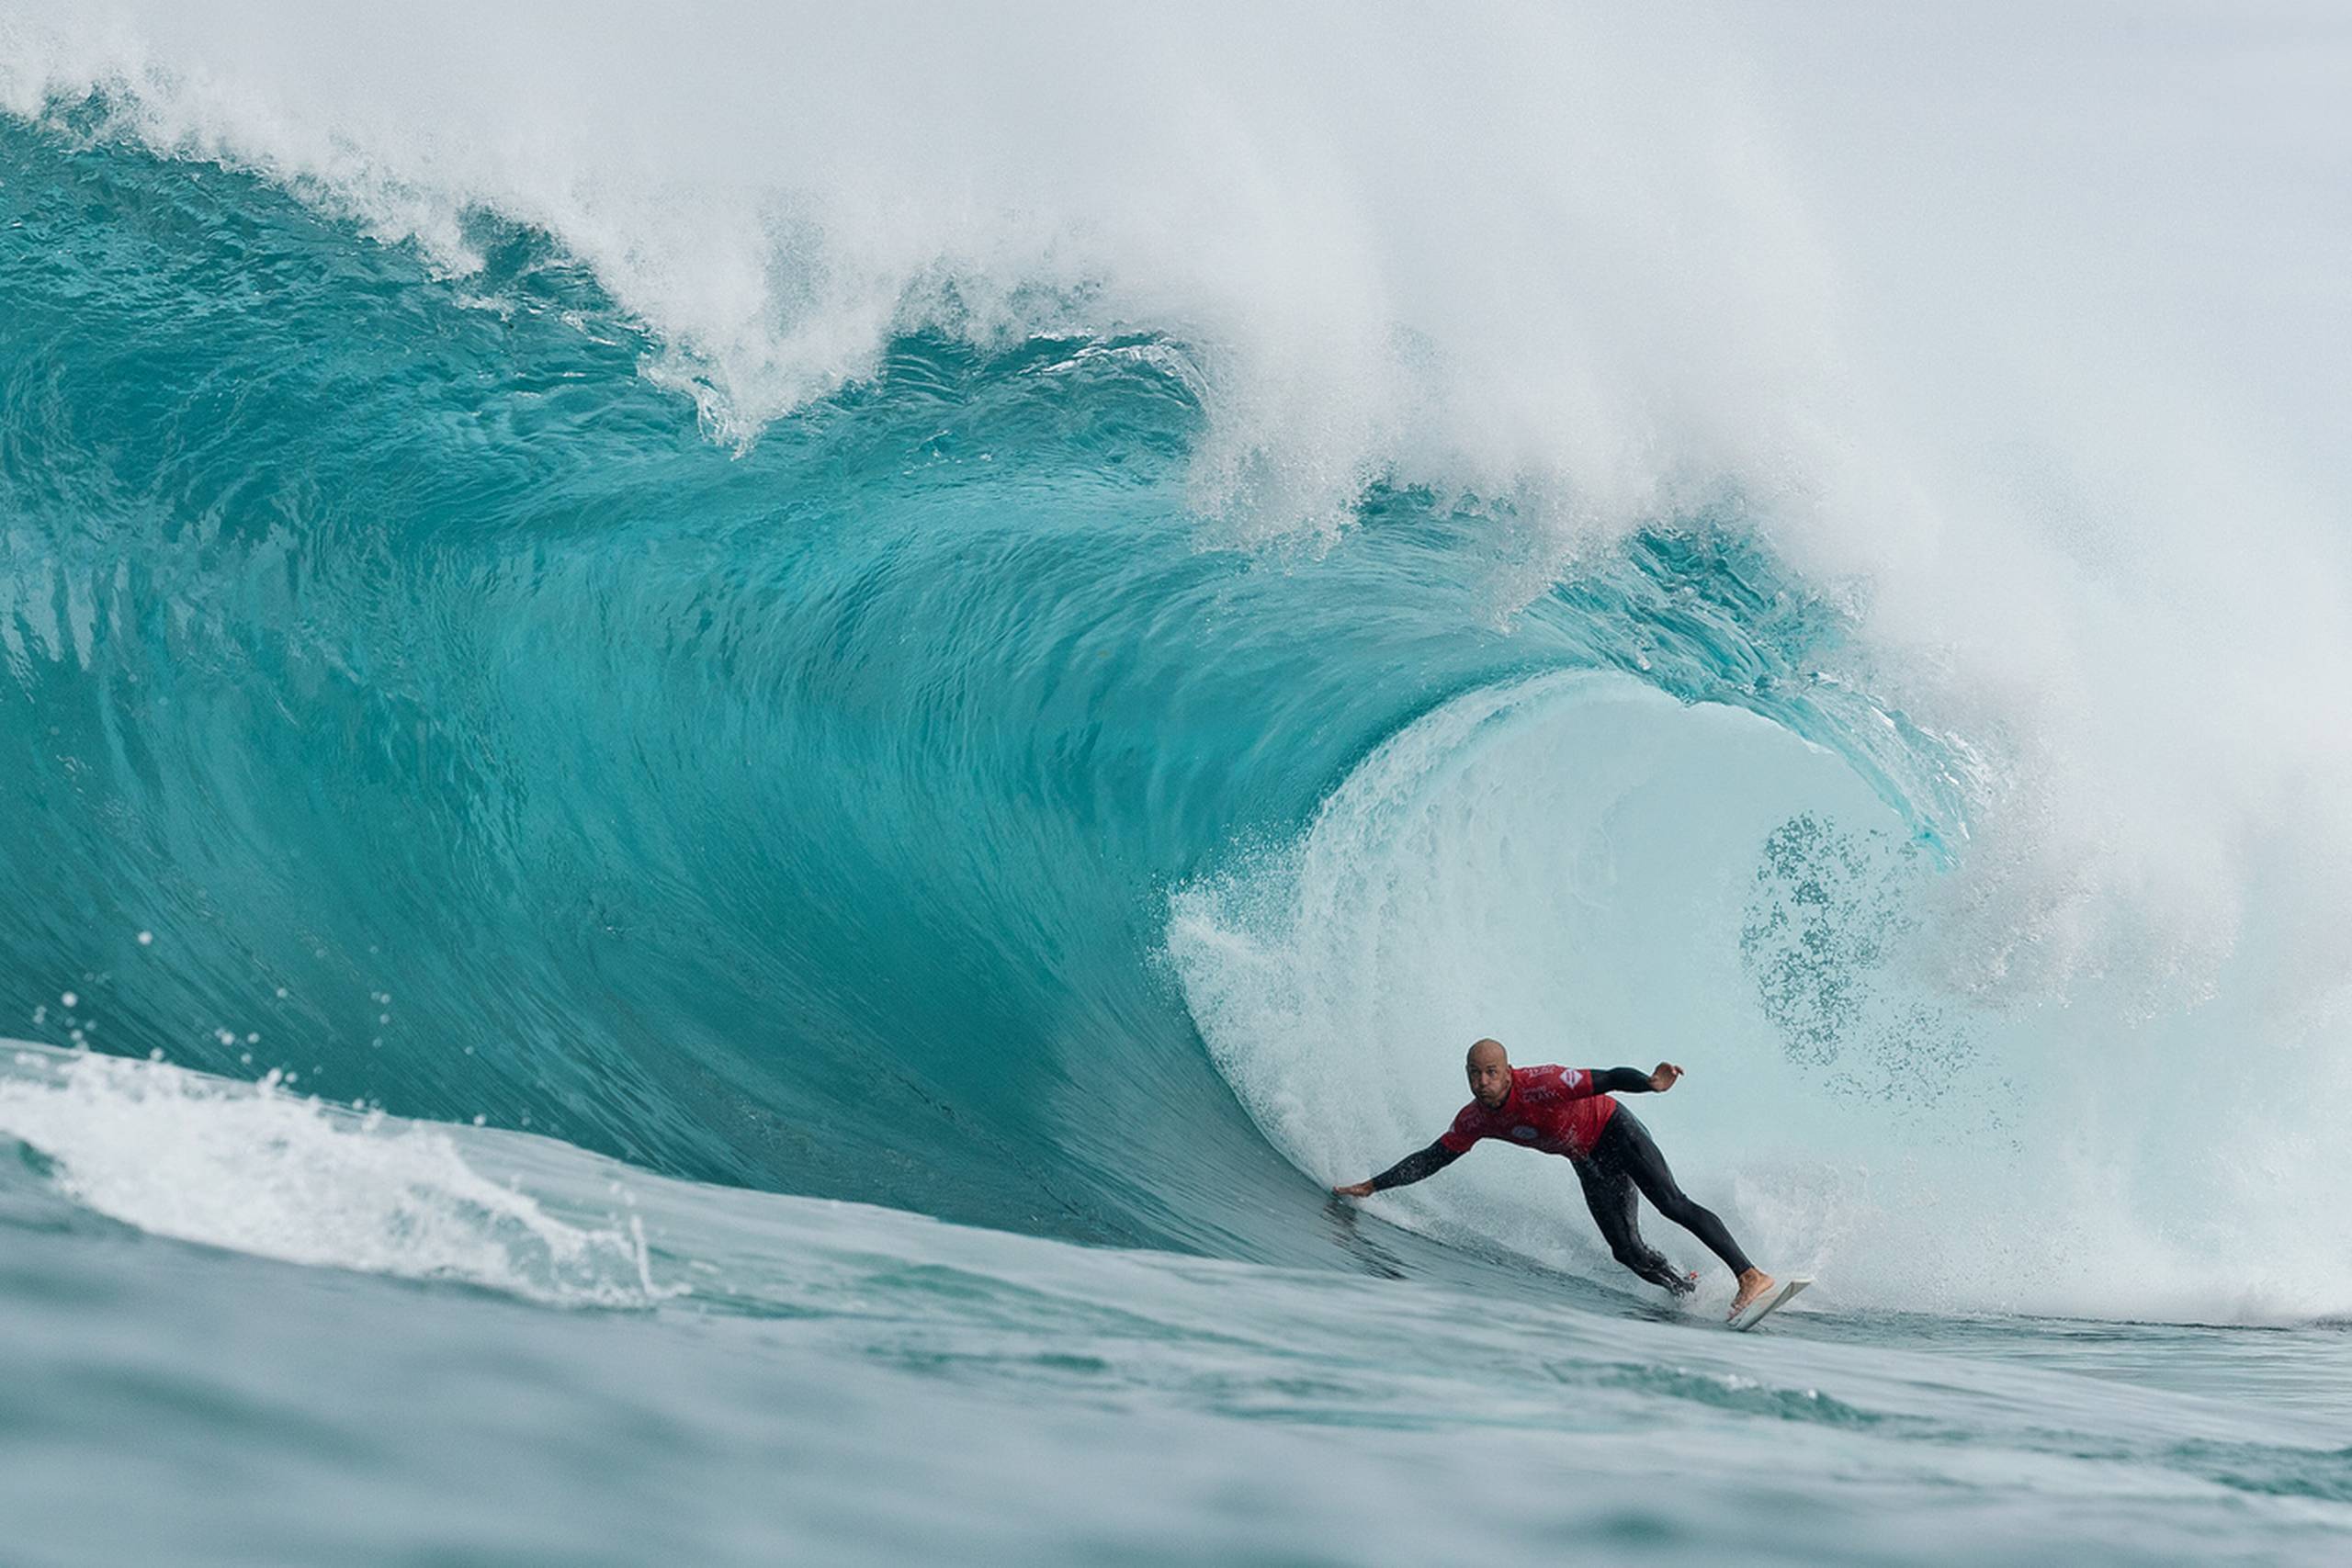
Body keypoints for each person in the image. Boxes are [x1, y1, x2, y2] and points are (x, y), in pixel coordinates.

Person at [1333, 1037, 1775, 1319]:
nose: (1483, 1081)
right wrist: (1373, 1186)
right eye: (1474, 1073)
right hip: (1586, 1158)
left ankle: (1749, 1274)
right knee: (1626, 1251)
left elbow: (1607, 1078)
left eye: (1491, 1072)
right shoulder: (1474, 1120)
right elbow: (1433, 1158)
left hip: (1614, 1131)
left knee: (1671, 1203)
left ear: (1508, 1071)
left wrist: (1651, 1084)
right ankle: (1686, 1291)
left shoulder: (1543, 1082)